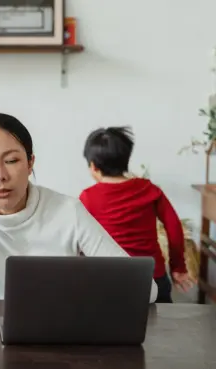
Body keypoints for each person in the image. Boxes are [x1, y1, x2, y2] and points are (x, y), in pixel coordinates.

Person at [0, 112, 158, 304]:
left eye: (12, 161)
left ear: (30, 163)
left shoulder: (68, 210)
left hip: (61, 331)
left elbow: (146, 290)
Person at [79, 126, 195, 303]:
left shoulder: (88, 198)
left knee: (111, 329)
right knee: (162, 328)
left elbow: (80, 239)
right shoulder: (149, 190)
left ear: (93, 166)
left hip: (109, 280)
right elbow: (174, 228)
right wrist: (178, 266)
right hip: (153, 277)